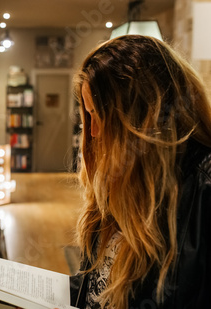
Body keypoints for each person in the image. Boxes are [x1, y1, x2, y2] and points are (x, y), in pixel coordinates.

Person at [71, 35, 211, 308]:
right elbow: (99, 284)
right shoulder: (120, 178)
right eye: (88, 116)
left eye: (99, 115)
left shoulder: (202, 193)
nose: (94, 132)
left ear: (140, 117)